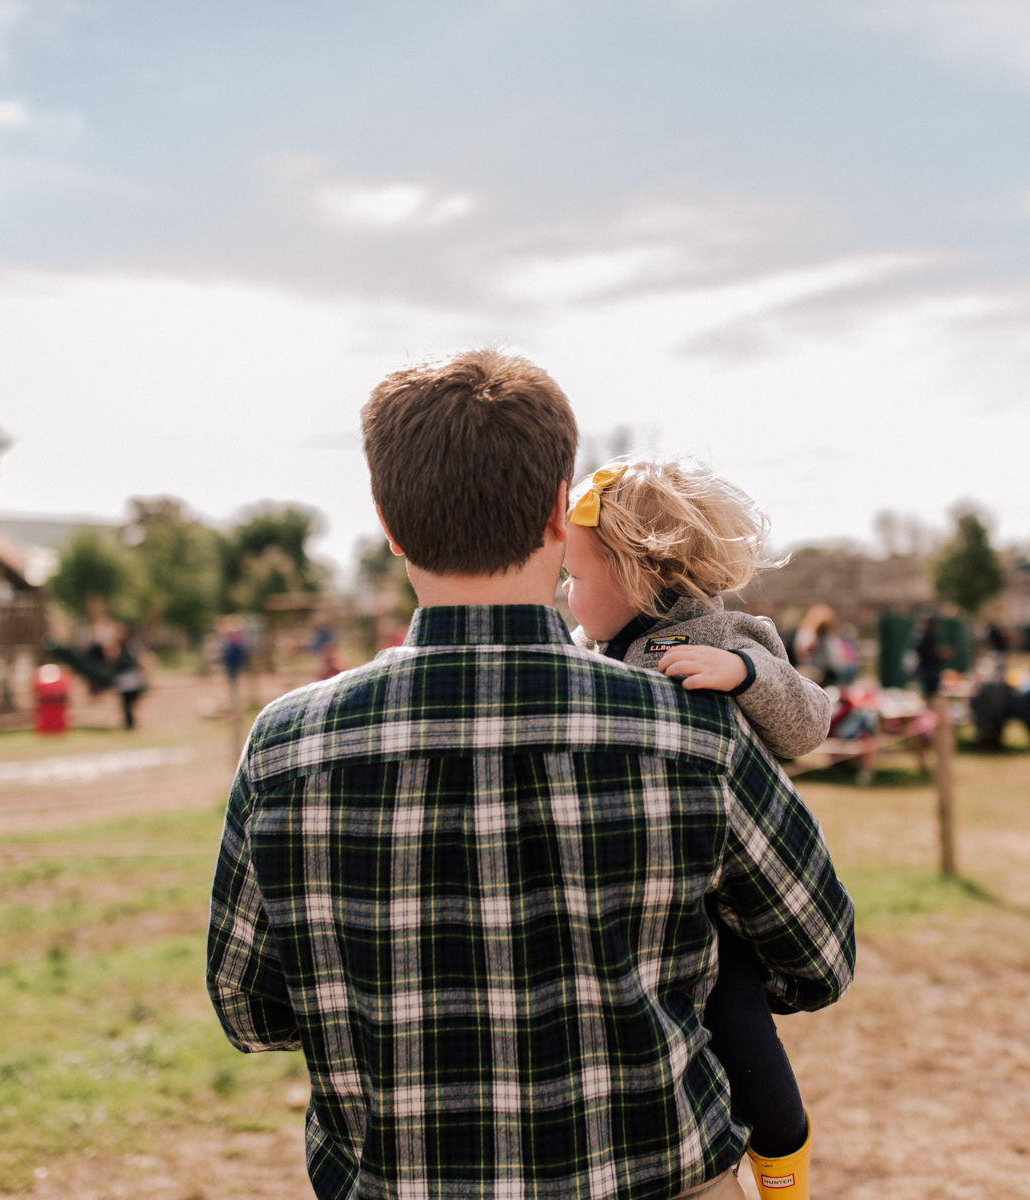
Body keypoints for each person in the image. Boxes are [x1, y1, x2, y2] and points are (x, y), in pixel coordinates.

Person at [207, 350, 854, 1200]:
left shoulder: (285, 747)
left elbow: (251, 1010)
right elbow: (819, 958)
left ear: (387, 524)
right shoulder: (693, 728)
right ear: (558, 513)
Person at [560, 457, 834, 1185]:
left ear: (637, 578)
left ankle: (784, 1169)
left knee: (745, 1037)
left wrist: (745, 673)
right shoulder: (587, 653)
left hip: (721, 897)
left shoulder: (728, 633)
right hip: (641, 888)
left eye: (577, 576)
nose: (565, 590)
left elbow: (811, 719)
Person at [110, 624, 145, 730]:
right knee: (126, 702)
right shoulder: (116, 646)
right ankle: (128, 723)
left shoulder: (132, 646)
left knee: (131, 700)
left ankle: (131, 721)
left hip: (130, 676)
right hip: (123, 676)